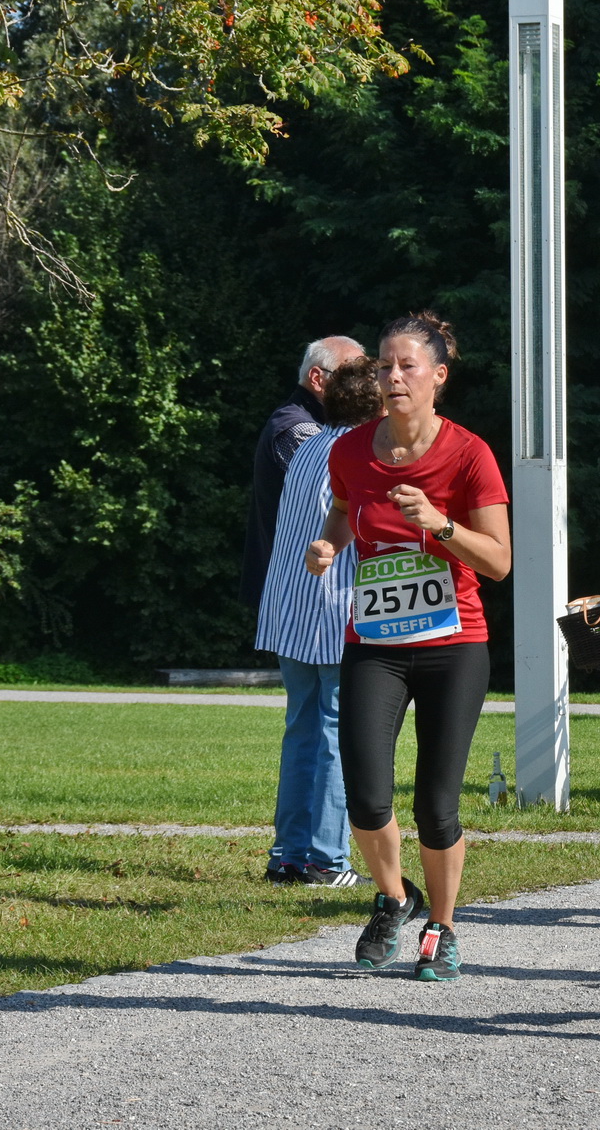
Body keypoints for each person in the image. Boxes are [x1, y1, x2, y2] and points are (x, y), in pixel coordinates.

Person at [306, 311, 511, 980]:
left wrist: (440, 524)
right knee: (366, 792)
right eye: (385, 366)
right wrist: (332, 541)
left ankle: (444, 927)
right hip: (376, 640)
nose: (393, 377)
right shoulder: (349, 450)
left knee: (435, 802)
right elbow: (343, 504)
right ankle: (395, 897)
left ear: (438, 377)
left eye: (408, 366)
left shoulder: (468, 453)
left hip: (455, 642)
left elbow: (499, 561)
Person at [255, 356, 381, 886]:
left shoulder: (305, 448)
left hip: (289, 610)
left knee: (301, 732)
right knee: (333, 734)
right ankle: (326, 859)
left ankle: (287, 853)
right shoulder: (357, 455)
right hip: (335, 612)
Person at [243, 337, 365, 607]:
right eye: (350, 376)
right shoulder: (295, 429)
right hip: (299, 595)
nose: (364, 387)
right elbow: (348, 485)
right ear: (317, 378)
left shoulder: (318, 425)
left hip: (313, 587)